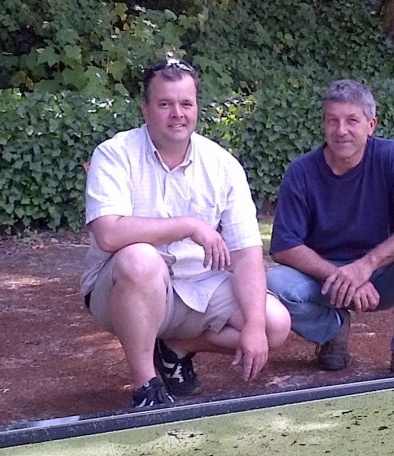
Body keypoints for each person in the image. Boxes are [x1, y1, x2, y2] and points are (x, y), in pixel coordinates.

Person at [80, 58, 291, 407]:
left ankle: (177, 348)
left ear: (196, 109)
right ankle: (146, 384)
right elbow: (109, 234)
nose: (176, 113)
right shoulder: (114, 153)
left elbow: (246, 252)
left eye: (185, 104)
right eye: (165, 104)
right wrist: (190, 226)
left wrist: (253, 325)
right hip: (122, 288)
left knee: (273, 323)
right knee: (139, 258)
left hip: (199, 287)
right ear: (146, 110)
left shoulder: (222, 164)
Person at [267, 79, 394, 374]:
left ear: (371, 125)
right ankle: (332, 331)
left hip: (381, 276)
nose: (341, 130)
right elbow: (284, 246)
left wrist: (365, 267)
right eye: (333, 121)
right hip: (325, 279)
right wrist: (341, 276)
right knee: (272, 285)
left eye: (351, 121)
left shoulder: (391, 156)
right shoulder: (302, 171)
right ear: (323, 125)